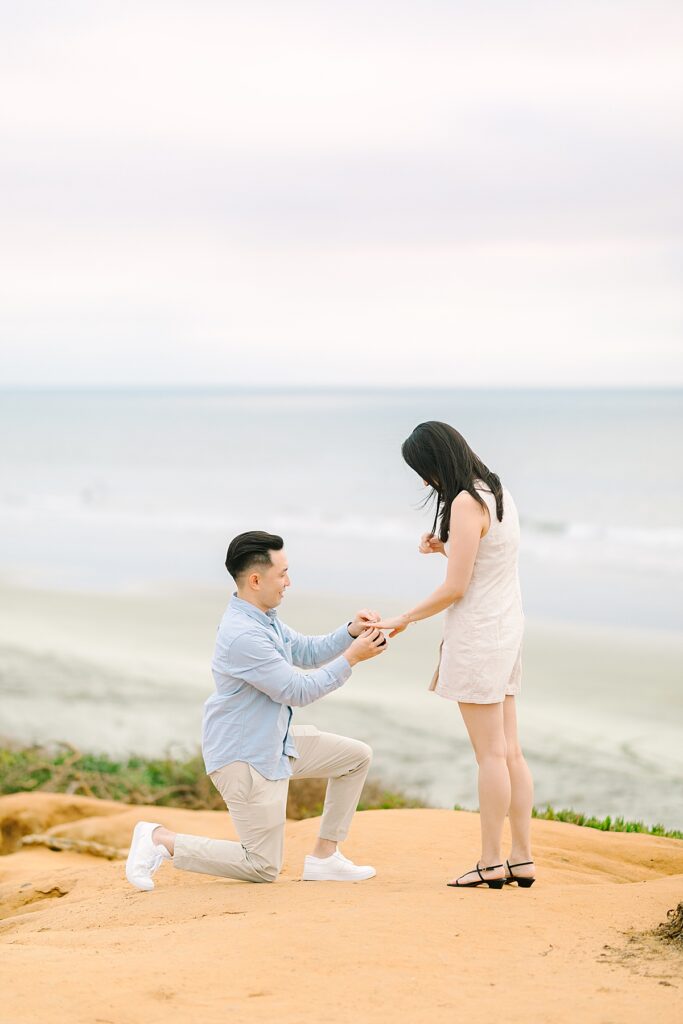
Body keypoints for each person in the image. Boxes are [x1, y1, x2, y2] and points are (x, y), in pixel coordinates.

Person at [125, 530, 387, 890]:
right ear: (255, 579)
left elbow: (307, 652)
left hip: (275, 743)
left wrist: (351, 632)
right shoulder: (243, 635)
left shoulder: (265, 618)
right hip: (245, 758)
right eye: (282, 574)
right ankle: (161, 840)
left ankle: (325, 858)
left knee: (355, 758)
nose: (288, 582)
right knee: (262, 866)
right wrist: (352, 658)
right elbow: (297, 690)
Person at [369, 422, 536, 890]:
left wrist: (403, 619)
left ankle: (489, 862)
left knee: (490, 756)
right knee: (512, 753)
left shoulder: (465, 501)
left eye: (423, 471)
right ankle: (521, 857)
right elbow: (487, 562)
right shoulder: (495, 490)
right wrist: (446, 547)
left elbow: (457, 588)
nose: (425, 482)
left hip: (480, 635)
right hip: (507, 629)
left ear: (437, 461)